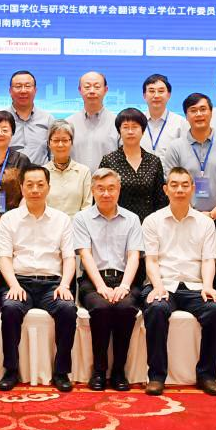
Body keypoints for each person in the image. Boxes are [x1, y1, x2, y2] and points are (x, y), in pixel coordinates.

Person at [141, 166, 216, 396]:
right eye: (174, 185)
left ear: (193, 188)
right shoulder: (152, 221)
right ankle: (156, 376)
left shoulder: (205, 223)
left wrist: (207, 286)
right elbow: (151, 260)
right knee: (156, 308)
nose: (180, 190)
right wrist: (158, 286)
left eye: (185, 185)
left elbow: (208, 260)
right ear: (165, 189)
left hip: (195, 286)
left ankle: (207, 375)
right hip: (162, 283)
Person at [0, 165, 78, 392]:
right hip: (19, 281)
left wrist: (64, 285)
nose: (35, 190)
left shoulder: (62, 219)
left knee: (68, 309)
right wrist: (13, 285)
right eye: (29, 185)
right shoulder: (9, 219)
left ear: (48, 187)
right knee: (10, 308)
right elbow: (5, 258)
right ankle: (11, 370)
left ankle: (61, 371)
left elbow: (69, 258)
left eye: (40, 185)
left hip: (52, 283)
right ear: (21, 187)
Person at [73, 167, 142, 391]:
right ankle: (99, 371)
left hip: (124, 279)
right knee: (101, 308)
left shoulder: (132, 219)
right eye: (100, 189)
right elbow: (85, 255)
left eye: (111, 188)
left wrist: (124, 286)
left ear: (119, 190)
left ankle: (119, 371)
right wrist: (101, 286)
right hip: (93, 280)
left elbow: (134, 256)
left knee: (125, 308)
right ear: (92, 190)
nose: (106, 193)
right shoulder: (82, 218)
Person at [162, 93, 216, 220]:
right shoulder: (175, 147)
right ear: (186, 116)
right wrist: (192, 213)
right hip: (186, 216)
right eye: (193, 110)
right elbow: (172, 184)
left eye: (203, 109)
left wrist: (215, 213)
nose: (199, 114)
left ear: (211, 113)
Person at [99, 107, 166, 221]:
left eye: (135, 127)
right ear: (119, 131)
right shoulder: (109, 161)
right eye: (125, 127)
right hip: (116, 221)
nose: (130, 131)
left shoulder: (154, 161)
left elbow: (161, 200)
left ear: (143, 131)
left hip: (148, 223)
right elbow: (100, 195)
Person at [66, 71, 119, 169]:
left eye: (97, 87)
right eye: (87, 87)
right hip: (75, 178)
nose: (92, 91)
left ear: (106, 90)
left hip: (107, 178)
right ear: (80, 90)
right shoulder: (68, 123)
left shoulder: (117, 123)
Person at [44, 120, 92, 216]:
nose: (60, 145)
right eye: (56, 140)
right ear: (49, 143)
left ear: (71, 142)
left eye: (65, 140)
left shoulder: (84, 172)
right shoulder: (42, 172)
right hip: (49, 224)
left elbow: (87, 206)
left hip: (77, 224)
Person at [6, 70, 55, 164]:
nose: (23, 91)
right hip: (8, 173)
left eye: (28, 86)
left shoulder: (48, 119)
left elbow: (54, 154)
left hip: (40, 172)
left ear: (35, 90)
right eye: (18, 86)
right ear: (10, 91)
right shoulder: (0, 119)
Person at [141, 74, 189, 156]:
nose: (156, 95)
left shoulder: (181, 123)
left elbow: (186, 154)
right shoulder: (136, 121)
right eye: (152, 91)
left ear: (169, 95)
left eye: (161, 91)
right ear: (144, 95)